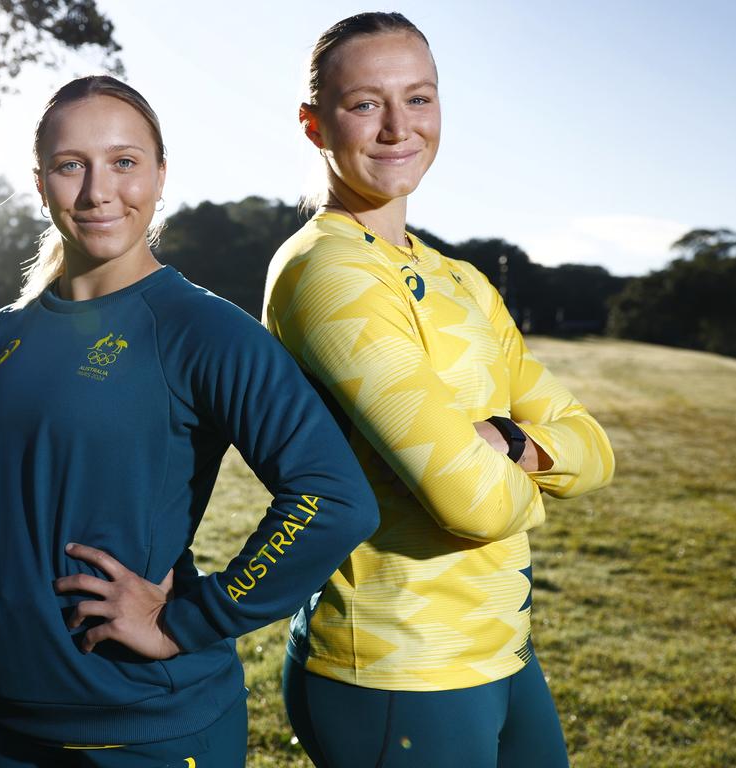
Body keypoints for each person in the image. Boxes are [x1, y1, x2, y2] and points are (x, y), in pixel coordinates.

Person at [0, 75, 379, 768]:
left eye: (125, 162)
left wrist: (192, 618)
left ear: (160, 176)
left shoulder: (204, 329)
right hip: (12, 721)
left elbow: (333, 499)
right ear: (41, 183)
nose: (100, 191)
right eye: (73, 166)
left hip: (156, 728)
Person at [264, 13, 616, 768]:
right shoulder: (325, 271)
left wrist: (513, 442)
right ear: (312, 123)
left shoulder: (462, 279)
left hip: (505, 649)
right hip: (397, 664)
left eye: (418, 99)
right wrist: (540, 479)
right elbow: (474, 503)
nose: (398, 127)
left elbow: (596, 447)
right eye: (365, 104)